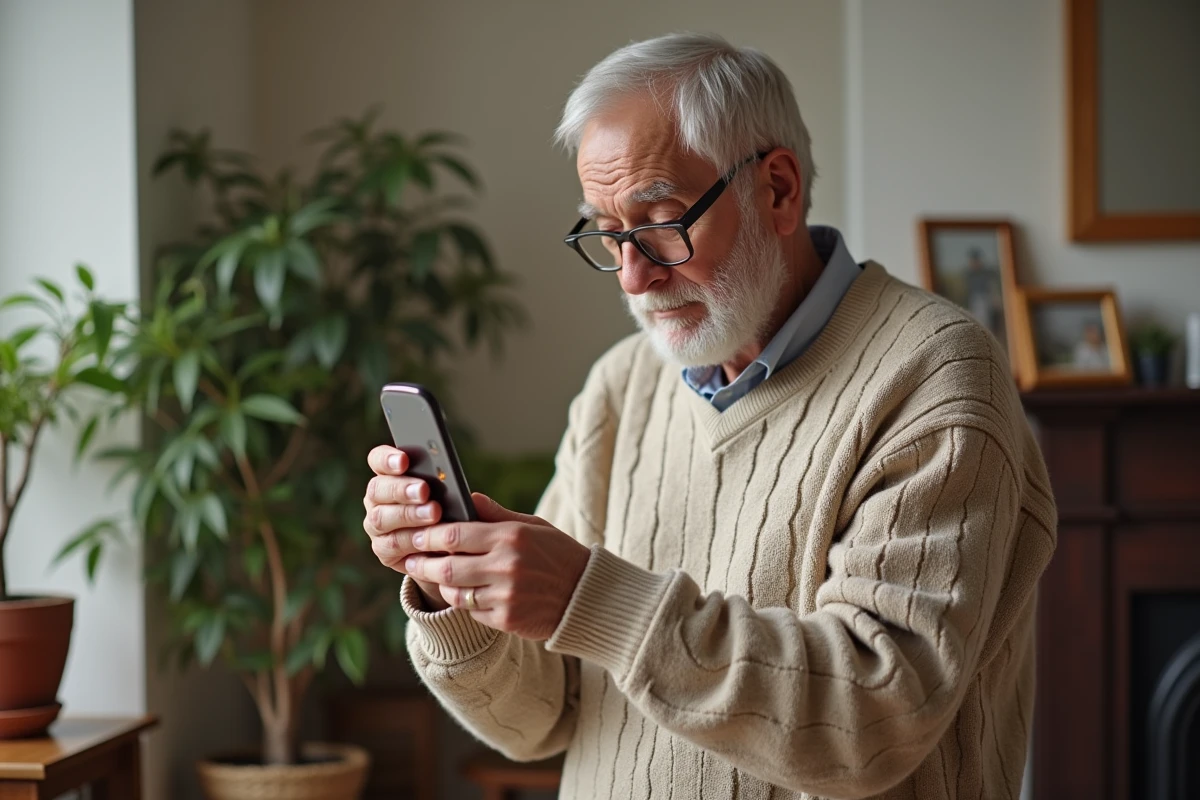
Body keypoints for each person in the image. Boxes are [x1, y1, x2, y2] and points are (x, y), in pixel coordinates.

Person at [362, 33, 1057, 799]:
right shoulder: (622, 385)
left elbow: (873, 722)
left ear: (778, 190)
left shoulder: (936, 376)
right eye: (606, 232)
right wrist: (452, 589)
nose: (632, 276)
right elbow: (541, 718)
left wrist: (588, 597)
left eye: (661, 221)